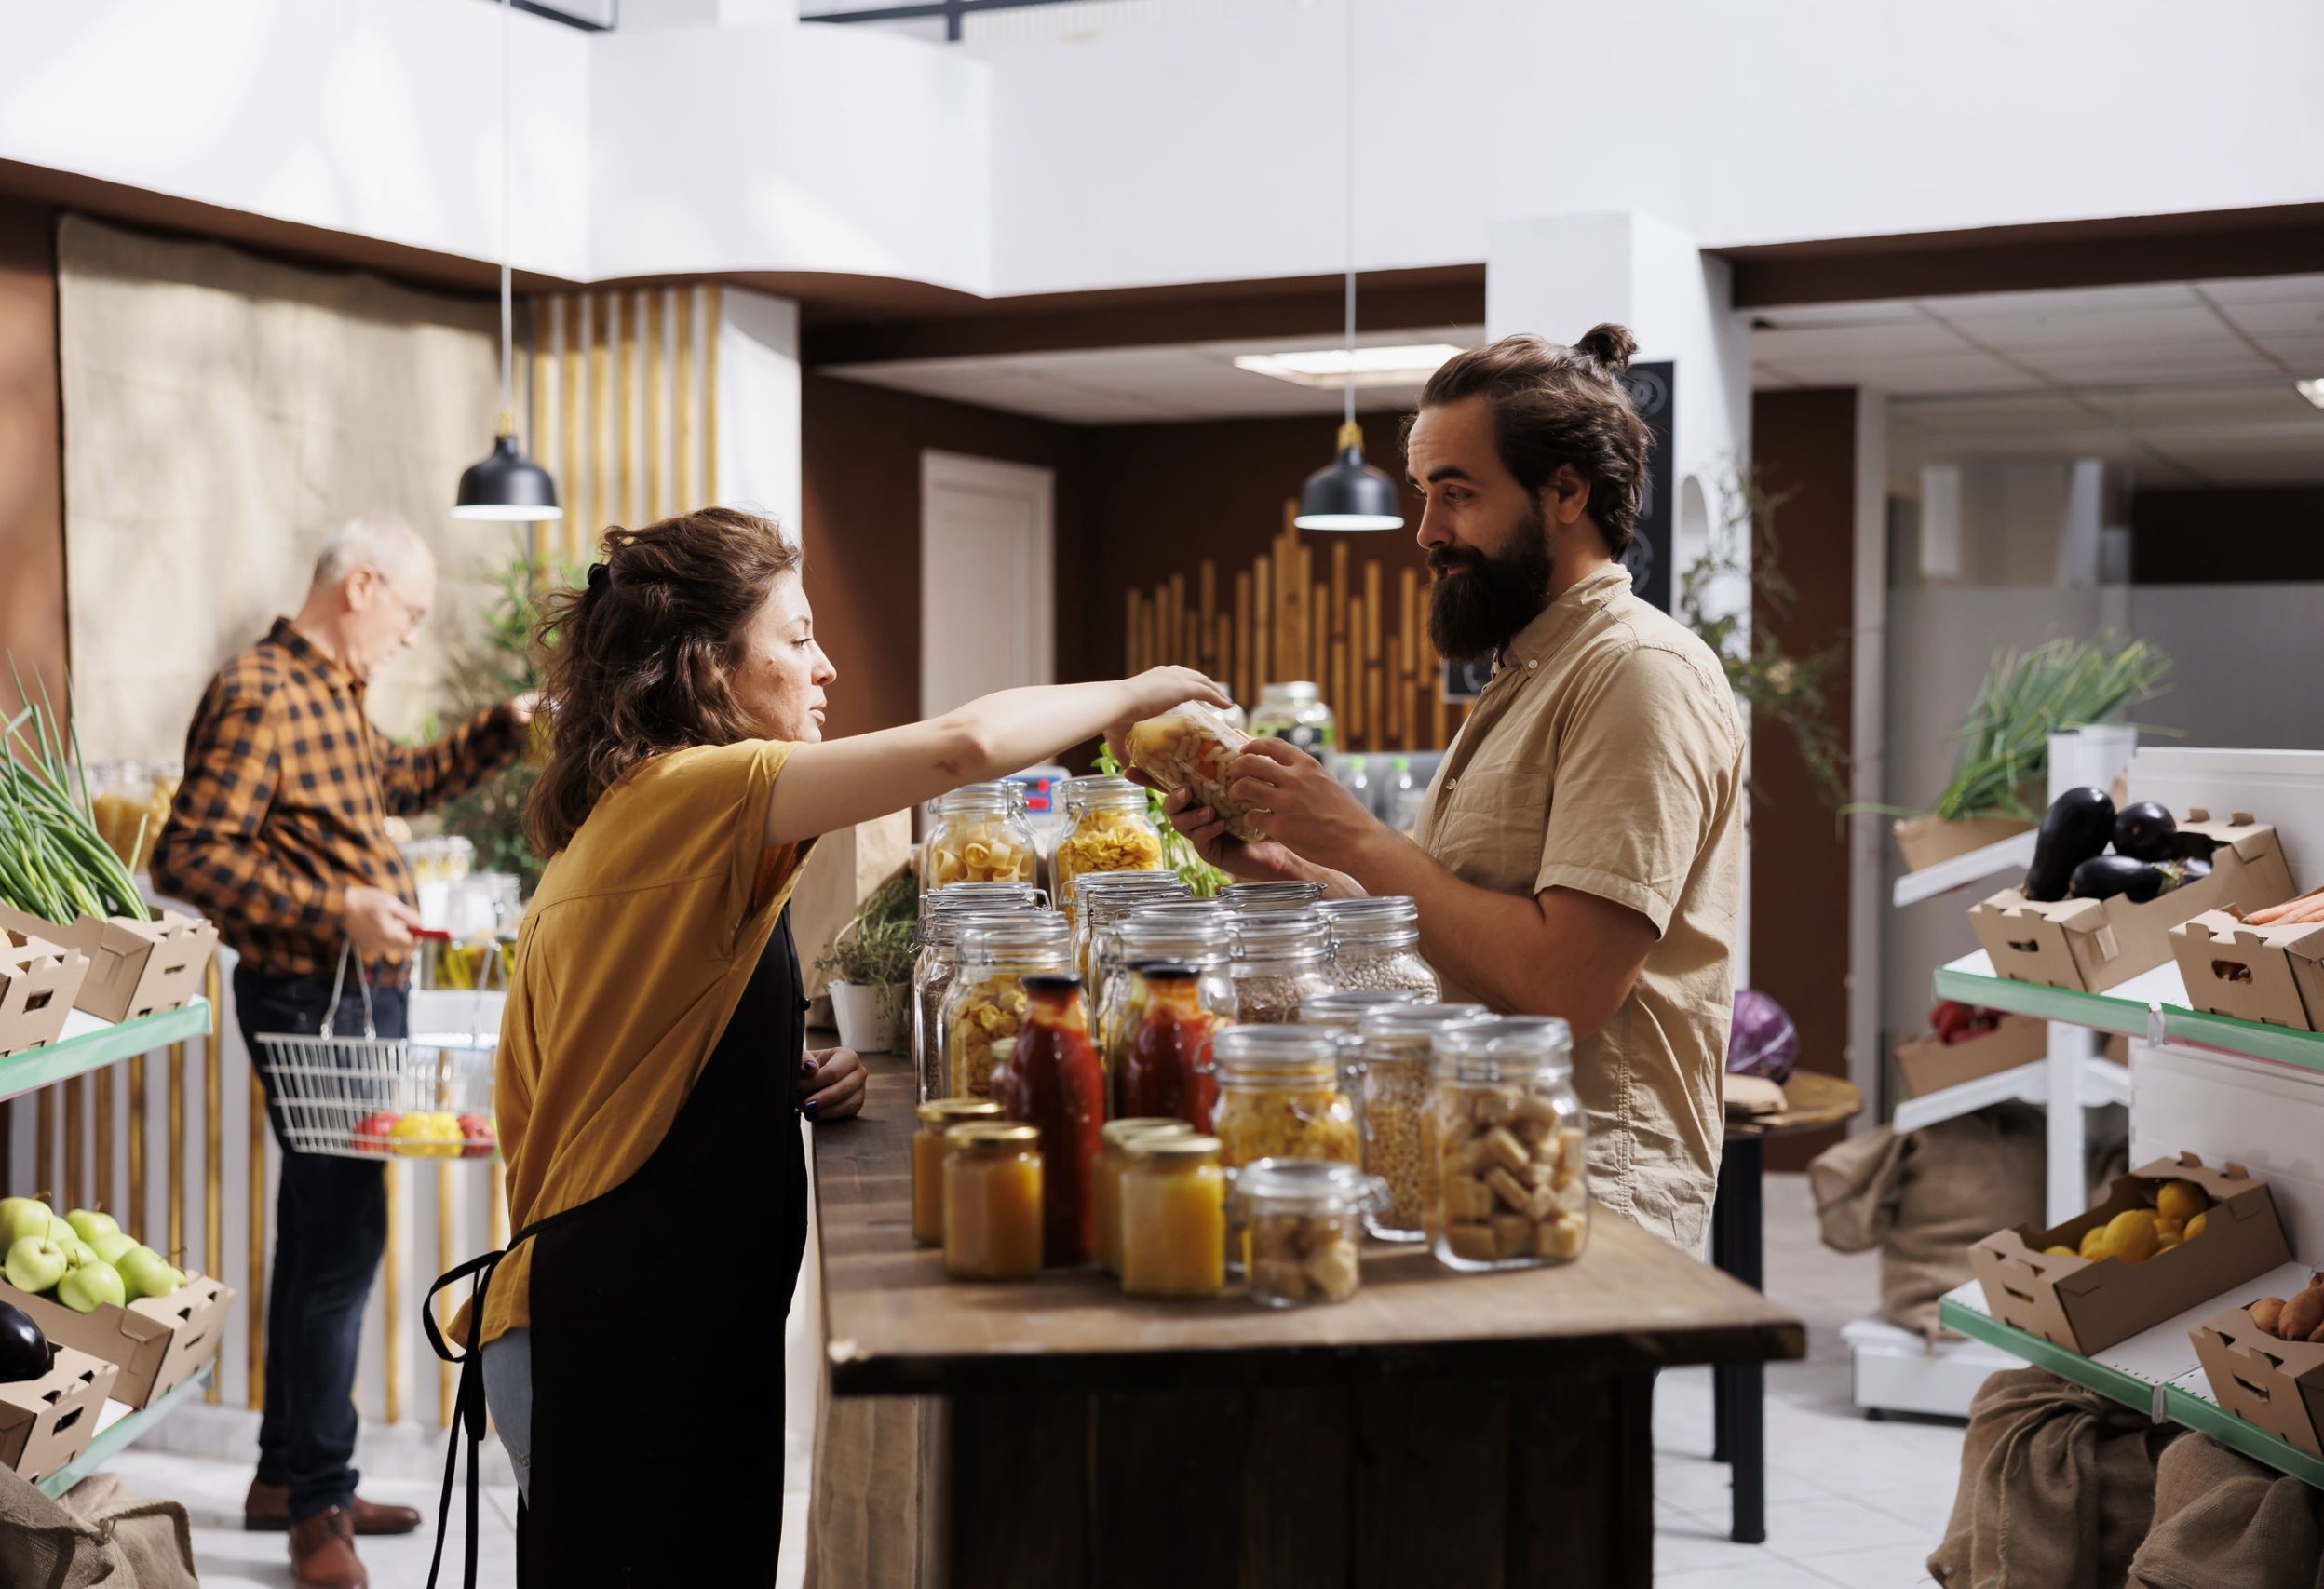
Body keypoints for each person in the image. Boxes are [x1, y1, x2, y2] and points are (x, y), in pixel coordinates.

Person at [425, 506, 1223, 1588]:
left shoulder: (657, 810)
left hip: (668, 1318)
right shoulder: (690, 794)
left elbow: (640, 1048)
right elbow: (964, 749)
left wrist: (776, 1076)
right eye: (795, 639)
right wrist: (1134, 695)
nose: (826, 665)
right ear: (709, 665)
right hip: (621, 1330)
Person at [1135, 325, 1745, 1258]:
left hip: (1579, 1188)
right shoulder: (1530, 672)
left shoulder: (1636, 674)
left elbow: (1559, 987)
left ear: (1567, 494)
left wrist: (1360, 840)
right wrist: (1284, 871)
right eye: (1425, 496)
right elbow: (1458, 938)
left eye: (1456, 495)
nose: (1427, 533)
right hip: (1469, 1159)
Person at [153, 514, 535, 1589]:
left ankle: (291, 1471)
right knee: (336, 1240)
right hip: (309, 994)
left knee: (331, 1234)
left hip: (356, 994)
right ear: (360, 586)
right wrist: (342, 910)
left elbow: (398, 784)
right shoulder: (259, 689)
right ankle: (316, 1508)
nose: (412, 635)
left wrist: (504, 726)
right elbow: (192, 854)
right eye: (410, 613)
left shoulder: (332, 695)